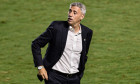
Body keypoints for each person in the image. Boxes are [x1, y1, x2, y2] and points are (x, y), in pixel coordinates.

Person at [31, 2, 93, 84]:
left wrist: (79, 76)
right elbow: (36, 44)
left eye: (74, 12)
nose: (70, 14)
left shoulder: (87, 32)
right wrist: (40, 67)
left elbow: (84, 55)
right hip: (54, 77)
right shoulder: (57, 27)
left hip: (74, 79)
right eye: (70, 11)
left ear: (82, 16)